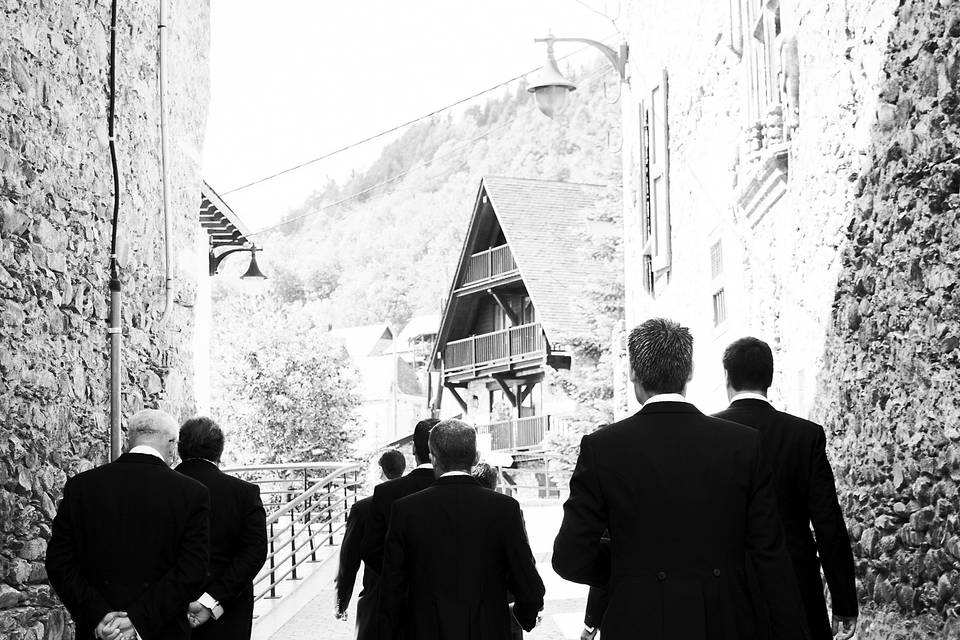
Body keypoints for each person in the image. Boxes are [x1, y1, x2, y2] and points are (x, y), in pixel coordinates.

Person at [553, 318, 807, 640]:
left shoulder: (602, 448)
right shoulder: (743, 444)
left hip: (636, 619)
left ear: (632, 372)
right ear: (689, 372)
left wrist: (626, 570)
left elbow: (570, 556)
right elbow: (770, 554)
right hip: (723, 620)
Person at [714, 337, 858, 640]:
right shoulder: (805, 436)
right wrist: (844, 602)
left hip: (729, 591)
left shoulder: (708, 435)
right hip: (797, 589)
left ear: (727, 376)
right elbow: (828, 522)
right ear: (770, 377)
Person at [46, 409, 210, 640]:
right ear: (172, 443)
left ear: (129, 440)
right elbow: (192, 570)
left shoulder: (81, 486)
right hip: (162, 631)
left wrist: (98, 615)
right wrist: (138, 619)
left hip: (101, 631)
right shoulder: (192, 493)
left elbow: (59, 561)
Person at [378, 419, 545, 639]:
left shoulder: (405, 510)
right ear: (476, 457)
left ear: (433, 457)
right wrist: (523, 616)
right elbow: (527, 580)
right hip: (487, 629)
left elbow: (392, 586)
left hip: (426, 630)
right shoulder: (504, 508)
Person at [174, 417, 267, 640]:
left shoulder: (159, 489)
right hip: (227, 612)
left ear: (179, 449)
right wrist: (211, 600)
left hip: (168, 611)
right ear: (220, 451)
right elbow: (254, 553)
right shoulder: (244, 493)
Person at [335, 449, 406, 639]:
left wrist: (341, 601)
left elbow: (348, 560)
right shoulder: (417, 501)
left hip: (376, 595)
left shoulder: (363, 508)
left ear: (381, 470)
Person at [361, 418, 439, 572]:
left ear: (414, 450)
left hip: (399, 590)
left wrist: (396, 579)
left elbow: (371, 550)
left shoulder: (385, 493)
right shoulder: (463, 491)